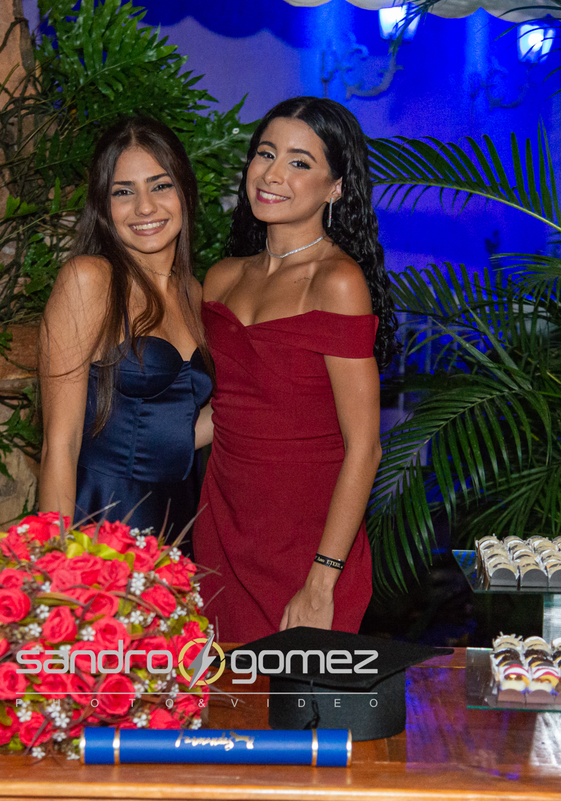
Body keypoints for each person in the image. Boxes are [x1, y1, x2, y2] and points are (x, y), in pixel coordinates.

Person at [195, 97, 395, 642]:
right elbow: (226, 410)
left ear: (336, 188)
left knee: (299, 696)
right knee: (221, 693)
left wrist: (322, 581)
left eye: (299, 162)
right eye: (266, 153)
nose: (273, 174)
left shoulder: (337, 282)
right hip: (222, 530)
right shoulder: (222, 277)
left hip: (308, 544)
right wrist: (125, 449)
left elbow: (365, 447)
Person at [38, 117, 213, 537]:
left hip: (180, 522)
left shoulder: (195, 292)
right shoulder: (89, 279)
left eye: (160, 185)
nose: (145, 207)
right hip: (101, 521)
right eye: (123, 192)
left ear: (185, 192)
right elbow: (59, 445)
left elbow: (181, 430)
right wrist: (53, 561)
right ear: (103, 206)